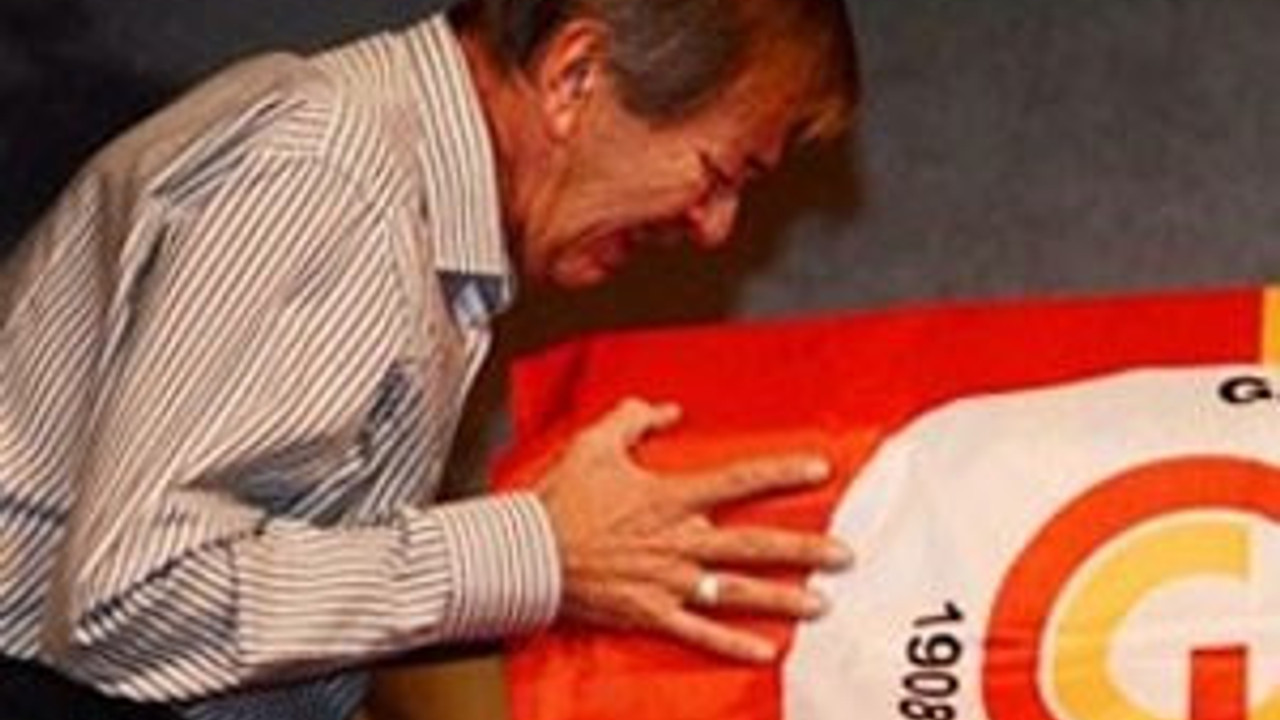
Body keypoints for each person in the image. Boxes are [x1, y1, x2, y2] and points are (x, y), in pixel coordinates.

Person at [0, 0, 862, 718]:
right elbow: (133, 598)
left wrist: (561, 561)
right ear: (574, 76)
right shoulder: (333, 178)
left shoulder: (394, 196)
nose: (716, 229)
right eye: (721, 172)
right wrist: (535, 551)